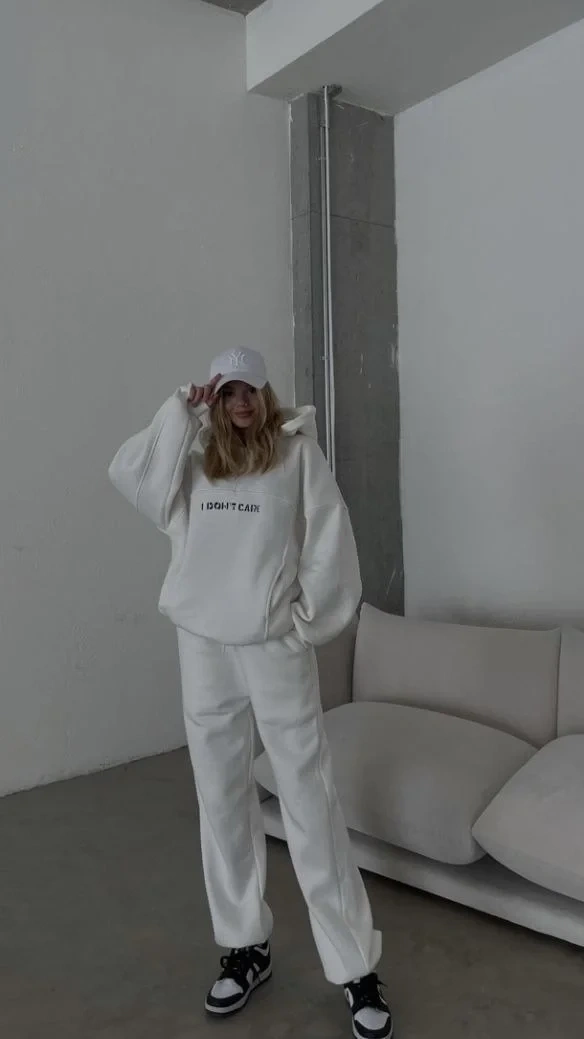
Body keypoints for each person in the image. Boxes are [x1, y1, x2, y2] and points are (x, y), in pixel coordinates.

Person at [108, 348, 393, 1039]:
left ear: (266, 394)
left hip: (273, 648)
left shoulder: (296, 455)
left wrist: (307, 622)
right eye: (227, 391)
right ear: (216, 397)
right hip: (202, 647)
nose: (239, 402)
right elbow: (130, 475)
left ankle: (355, 967)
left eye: (249, 390)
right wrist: (180, 409)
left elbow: (331, 537)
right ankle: (245, 946)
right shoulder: (194, 458)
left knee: (308, 798)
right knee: (220, 798)